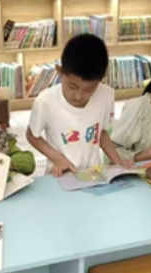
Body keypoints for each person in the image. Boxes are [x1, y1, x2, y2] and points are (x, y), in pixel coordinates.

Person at [26, 34, 132, 176]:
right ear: (60, 72)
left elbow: (101, 133)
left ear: (100, 81)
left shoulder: (105, 95)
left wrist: (118, 161)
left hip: (92, 175)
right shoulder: (45, 101)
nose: (78, 96)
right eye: (72, 86)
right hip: (61, 175)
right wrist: (58, 159)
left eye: (89, 90)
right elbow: (32, 135)